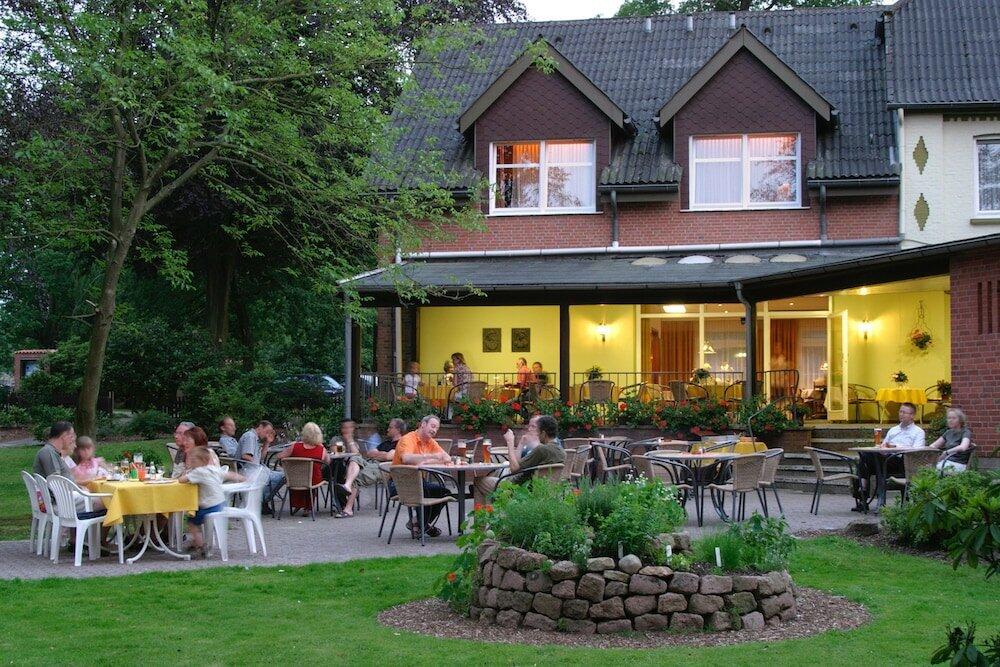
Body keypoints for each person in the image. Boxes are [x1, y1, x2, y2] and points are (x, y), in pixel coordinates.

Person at [473, 415, 564, 505]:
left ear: (543, 433)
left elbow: (514, 469)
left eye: (538, 432)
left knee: (478, 481)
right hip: (545, 491)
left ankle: (484, 517)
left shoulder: (542, 449)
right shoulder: (562, 452)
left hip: (519, 489)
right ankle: (493, 512)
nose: (537, 434)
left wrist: (510, 442)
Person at [177, 446, 244, 558]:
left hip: (209, 506)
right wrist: (243, 478)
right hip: (220, 504)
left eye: (193, 460)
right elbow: (230, 475)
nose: (191, 462)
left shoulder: (198, 472)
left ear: (200, 462)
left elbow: (181, 480)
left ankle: (200, 544)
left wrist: (185, 473)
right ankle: (199, 542)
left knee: (191, 522)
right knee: (196, 518)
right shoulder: (213, 469)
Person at [392, 414, 452, 537]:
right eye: (433, 426)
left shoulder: (430, 442)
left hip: (419, 482)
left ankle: (418, 523)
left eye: (437, 428)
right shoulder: (408, 439)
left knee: (444, 492)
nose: (434, 430)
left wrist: (426, 461)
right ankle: (422, 525)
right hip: (399, 484)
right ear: (423, 424)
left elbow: (447, 457)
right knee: (427, 491)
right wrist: (431, 456)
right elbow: (406, 458)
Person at [856, 402, 926, 504]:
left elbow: (917, 451)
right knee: (864, 456)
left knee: (867, 460)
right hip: (885, 459)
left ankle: (863, 492)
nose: (901, 414)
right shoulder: (893, 430)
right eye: (900, 411)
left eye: (904, 412)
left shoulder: (918, 432)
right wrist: (883, 448)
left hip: (902, 462)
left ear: (912, 416)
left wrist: (896, 447)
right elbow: (884, 445)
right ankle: (863, 490)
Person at [274, 422, 329, 515]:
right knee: (314, 475)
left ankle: (298, 505)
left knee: (301, 477)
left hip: (294, 480)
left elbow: (279, 456)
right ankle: (307, 508)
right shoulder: (321, 449)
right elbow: (328, 462)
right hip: (313, 480)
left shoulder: (295, 446)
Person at [236, 420, 283, 512]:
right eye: (267, 431)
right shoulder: (250, 436)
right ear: (260, 427)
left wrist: (267, 442)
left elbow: (261, 457)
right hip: (248, 471)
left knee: (279, 476)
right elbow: (245, 456)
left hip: (253, 469)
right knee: (282, 477)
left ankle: (261, 501)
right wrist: (259, 466)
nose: (267, 434)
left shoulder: (255, 438)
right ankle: (261, 501)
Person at [327, 419, 367, 518]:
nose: (347, 429)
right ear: (341, 429)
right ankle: (346, 503)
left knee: (355, 474)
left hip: (352, 469)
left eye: (350, 427)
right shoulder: (337, 439)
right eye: (345, 427)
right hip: (337, 467)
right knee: (342, 470)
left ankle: (347, 504)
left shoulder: (356, 441)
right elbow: (337, 453)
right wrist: (343, 445)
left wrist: (350, 441)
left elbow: (357, 456)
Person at [929, 408, 974, 472]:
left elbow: (963, 447)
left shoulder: (965, 432)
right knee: (924, 467)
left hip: (959, 464)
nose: (950, 420)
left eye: (953, 418)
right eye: (949, 418)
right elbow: (933, 446)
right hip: (946, 462)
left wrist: (946, 452)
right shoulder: (948, 432)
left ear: (960, 420)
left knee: (933, 469)